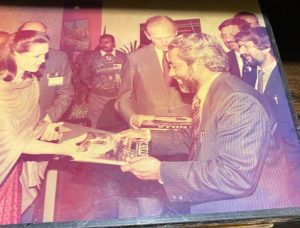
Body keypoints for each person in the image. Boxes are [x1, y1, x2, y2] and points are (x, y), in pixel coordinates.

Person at [120, 33, 299, 215]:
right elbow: (200, 136)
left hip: (248, 210)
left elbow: (235, 177)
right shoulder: (214, 90)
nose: (171, 73)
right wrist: (148, 136)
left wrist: (160, 171)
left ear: (198, 64)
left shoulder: (238, 101)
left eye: (174, 65)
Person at [0, 30, 83, 225]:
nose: (42, 61)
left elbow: (30, 126)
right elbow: (15, 141)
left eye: (45, 55)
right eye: (37, 55)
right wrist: (61, 149)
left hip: (13, 167)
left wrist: (47, 128)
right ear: (15, 53)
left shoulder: (31, 82)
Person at [235, 27, 300, 190]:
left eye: (246, 46)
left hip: (291, 156)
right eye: (240, 46)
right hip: (271, 155)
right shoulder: (251, 74)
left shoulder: (286, 75)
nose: (241, 51)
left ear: (266, 47)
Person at [115, 15, 192, 128]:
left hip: (187, 124)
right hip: (150, 126)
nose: (164, 42)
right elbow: (124, 98)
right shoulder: (135, 58)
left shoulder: (191, 53)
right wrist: (133, 118)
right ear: (148, 35)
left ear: (176, 32)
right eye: (158, 38)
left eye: (168, 36)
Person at [19, 21, 75, 125]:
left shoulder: (59, 58)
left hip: (44, 123)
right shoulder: (7, 59)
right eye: (30, 35)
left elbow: (66, 93)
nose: (36, 40)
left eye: (41, 36)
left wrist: (48, 119)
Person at [80, 34, 126, 128]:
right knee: (93, 120)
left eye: (107, 42)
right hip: (98, 97)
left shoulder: (123, 56)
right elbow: (84, 75)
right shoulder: (91, 57)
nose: (104, 45)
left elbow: (128, 74)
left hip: (118, 96)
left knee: (117, 121)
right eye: (101, 43)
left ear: (114, 44)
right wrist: (93, 85)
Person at [218, 17, 257, 87]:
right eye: (223, 36)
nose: (228, 40)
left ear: (245, 34)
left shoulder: (259, 54)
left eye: (232, 34)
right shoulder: (223, 59)